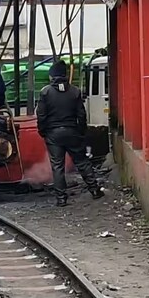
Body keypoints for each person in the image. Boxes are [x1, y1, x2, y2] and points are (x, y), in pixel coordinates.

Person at [36, 60, 104, 207]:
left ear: (52, 76)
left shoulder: (45, 92)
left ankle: (61, 198)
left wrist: (43, 131)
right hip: (72, 131)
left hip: (53, 135)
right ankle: (94, 190)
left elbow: (41, 115)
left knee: (57, 166)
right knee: (82, 161)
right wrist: (81, 132)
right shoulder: (75, 91)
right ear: (65, 75)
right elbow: (81, 114)